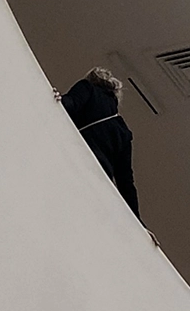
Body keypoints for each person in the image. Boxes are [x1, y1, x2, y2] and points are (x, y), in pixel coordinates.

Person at [56, 67, 140, 217]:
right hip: (97, 180)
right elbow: (125, 180)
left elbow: (70, 105)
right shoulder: (124, 132)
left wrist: (56, 98)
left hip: (75, 158)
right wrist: (139, 223)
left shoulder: (88, 87)